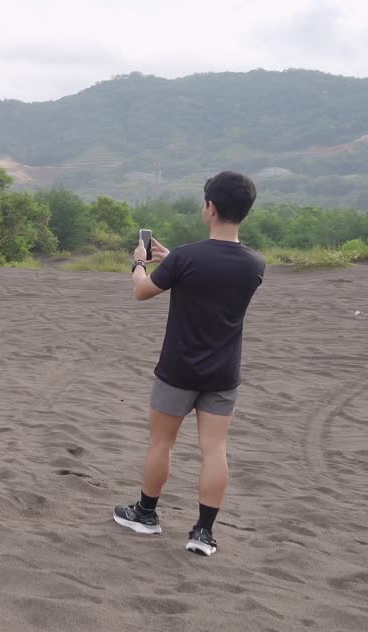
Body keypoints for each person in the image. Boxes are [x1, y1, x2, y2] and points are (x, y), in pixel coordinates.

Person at [113, 171, 266, 557]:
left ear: (210, 208)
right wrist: (173, 261)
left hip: (178, 368)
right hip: (223, 373)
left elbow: (142, 292)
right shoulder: (254, 264)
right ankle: (203, 532)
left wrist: (139, 263)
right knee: (215, 449)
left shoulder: (187, 257)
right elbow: (213, 275)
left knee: (161, 441)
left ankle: (146, 514)